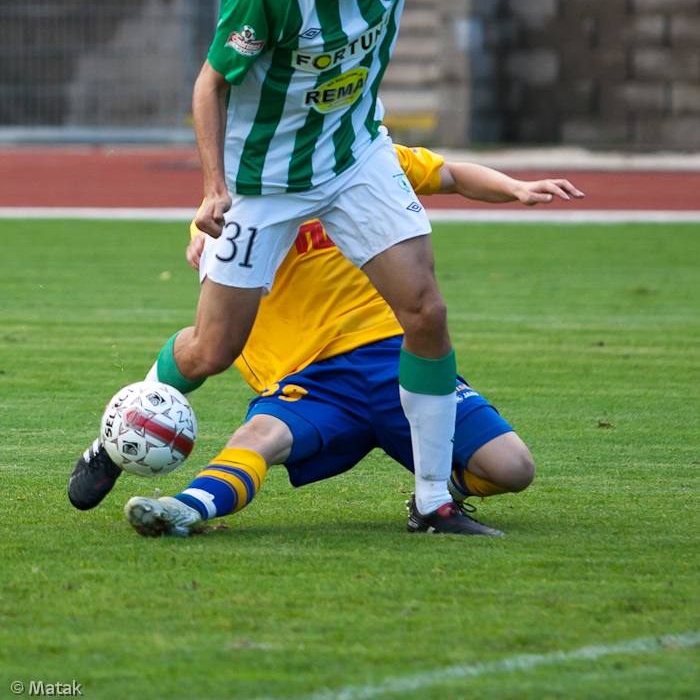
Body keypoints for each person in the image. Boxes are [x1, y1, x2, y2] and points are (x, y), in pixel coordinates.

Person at [69, 0, 599, 534]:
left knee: (426, 310)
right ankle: (112, 440)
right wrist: (214, 188)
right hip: (265, 182)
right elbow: (210, 83)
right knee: (214, 347)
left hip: (356, 158)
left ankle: (432, 500)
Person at [70, 144, 583, 535]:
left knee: (513, 469)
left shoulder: (365, 160)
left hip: (393, 359)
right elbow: (211, 235)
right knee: (249, 424)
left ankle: (433, 495)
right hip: (312, 379)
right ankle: (177, 506)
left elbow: (449, 174)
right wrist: (205, 241)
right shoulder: (255, 194)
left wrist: (514, 187)